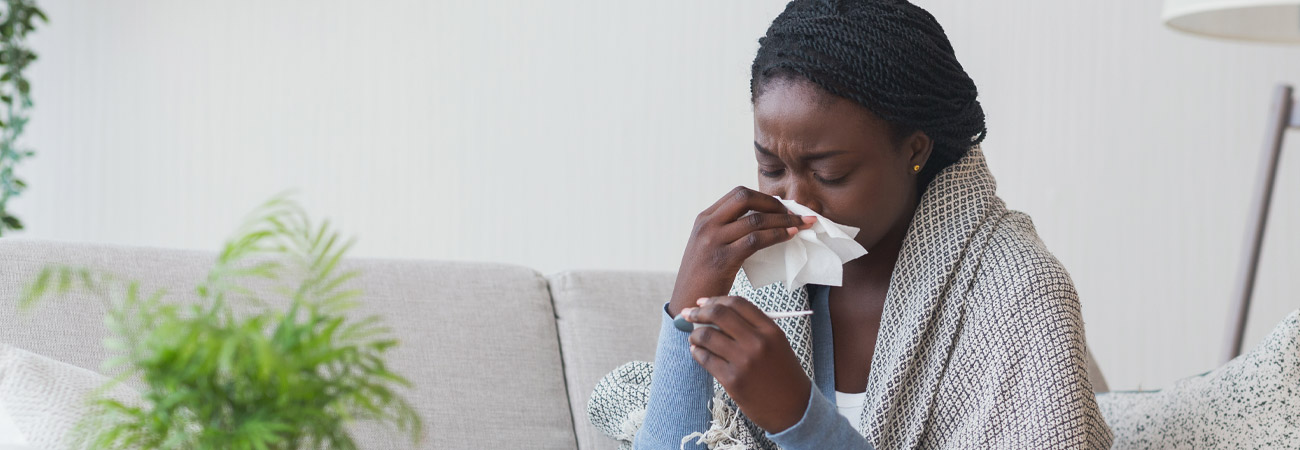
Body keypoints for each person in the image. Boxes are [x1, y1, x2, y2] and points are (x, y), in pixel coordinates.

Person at [587, 0, 1113, 448]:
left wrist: (800, 419)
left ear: (914, 149)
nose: (794, 199)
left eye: (830, 172)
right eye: (771, 167)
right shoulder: (766, 280)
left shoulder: (1019, 295)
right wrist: (685, 314)